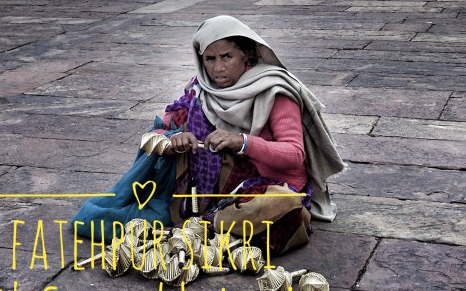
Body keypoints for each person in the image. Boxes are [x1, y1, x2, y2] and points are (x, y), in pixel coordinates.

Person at [73, 15, 345, 254]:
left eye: (227, 57)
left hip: (261, 186)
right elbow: (153, 135)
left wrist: (243, 142)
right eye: (210, 59)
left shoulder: (273, 91)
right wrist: (172, 142)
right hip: (202, 191)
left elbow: (294, 156)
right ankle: (211, 227)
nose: (217, 68)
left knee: (282, 205)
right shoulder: (199, 89)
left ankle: (203, 227)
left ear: (246, 56)